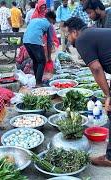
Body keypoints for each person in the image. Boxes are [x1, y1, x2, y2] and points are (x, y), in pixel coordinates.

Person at [64, 17, 111, 166]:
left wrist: (108, 95)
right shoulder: (92, 33)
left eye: (67, 34)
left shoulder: (81, 39)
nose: (67, 38)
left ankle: (109, 158)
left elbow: (96, 69)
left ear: (74, 32)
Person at [23, 11, 56, 86]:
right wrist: (49, 57)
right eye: (53, 22)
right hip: (35, 42)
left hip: (26, 41)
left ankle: (37, 80)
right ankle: (38, 83)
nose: (53, 24)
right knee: (42, 61)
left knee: (35, 60)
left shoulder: (35, 20)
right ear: (51, 19)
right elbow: (49, 42)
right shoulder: (48, 25)